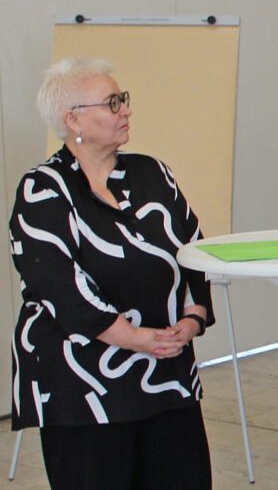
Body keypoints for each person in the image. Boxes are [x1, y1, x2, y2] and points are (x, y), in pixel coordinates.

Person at [9, 57, 215, 490]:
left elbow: (197, 251)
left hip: (167, 374)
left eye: (123, 100)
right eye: (112, 102)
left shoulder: (152, 173)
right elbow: (59, 288)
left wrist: (191, 319)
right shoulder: (42, 189)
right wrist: (137, 339)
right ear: (73, 120)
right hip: (81, 384)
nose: (126, 110)